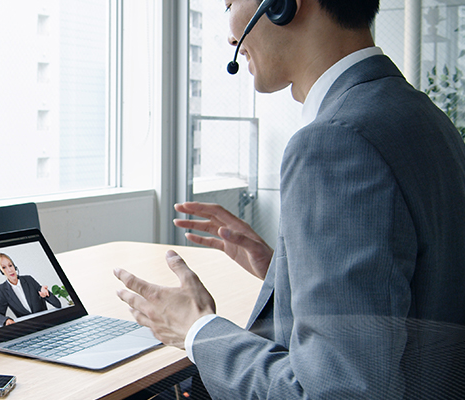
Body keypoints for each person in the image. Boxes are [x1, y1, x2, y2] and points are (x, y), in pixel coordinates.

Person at [115, 0, 465, 398]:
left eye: (229, 2)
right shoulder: (421, 114)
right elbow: (416, 292)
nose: (231, 36)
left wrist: (196, 329)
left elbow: (334, 392)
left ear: (283, 5)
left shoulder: (336, 140)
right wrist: (284, 273)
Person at [0, 252, 61, 326]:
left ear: (14, 266)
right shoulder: (3, 289)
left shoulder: (29, 280)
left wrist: (47, 294)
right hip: (28, 327)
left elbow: (58, 304)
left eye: (10, 265)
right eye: (4, 267)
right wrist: (6, 320)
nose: (10, 270)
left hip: (46, 323)